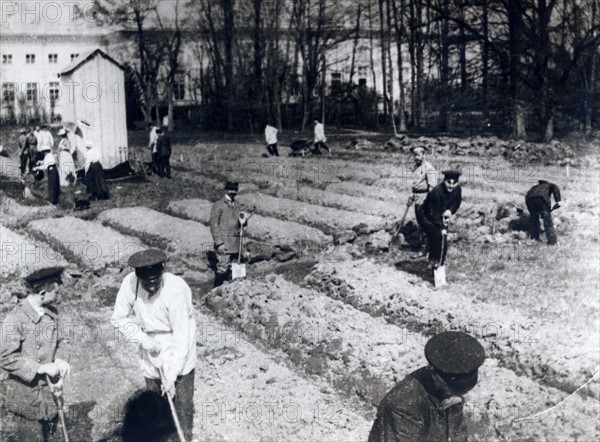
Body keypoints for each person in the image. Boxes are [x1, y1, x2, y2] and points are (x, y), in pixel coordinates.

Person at [111, 249, 196, 441]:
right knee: (153, 406)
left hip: (177, 343)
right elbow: (118, 318)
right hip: (150, 345)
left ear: (162, 273)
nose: (150, 288)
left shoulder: (176, 291)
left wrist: (172, 375)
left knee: (181, 406)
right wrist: (143, 339)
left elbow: (182, 338)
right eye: (146, 283)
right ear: (137, 276)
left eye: (155, 282)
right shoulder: (130, 284)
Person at [369, 331, 485, 442]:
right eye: (451, 391)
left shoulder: (449, 391)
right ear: (434, 375)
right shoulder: (402, 406)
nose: (457, 396)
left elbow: (457, 436)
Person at [0, 287, 71, 441]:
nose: (59, 292)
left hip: (51, 398)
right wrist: (39, 368)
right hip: (26, 402)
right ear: (43, 293)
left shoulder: (52, 313)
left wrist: (60, 359)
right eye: (56, 290)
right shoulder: (15, 318)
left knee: (54, 436)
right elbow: (4, 356)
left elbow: (62, 340)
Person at [417, 170, 462, 270]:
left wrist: (450, 211)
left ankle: (439, 264)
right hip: (426, 216)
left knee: (442, 240)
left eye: (453, 183)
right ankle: (433, 261)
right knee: (438, 235)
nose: (451, 186)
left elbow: (457, 202)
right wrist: (441, 226)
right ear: (444, 181)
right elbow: (431, 213)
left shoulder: (457, 189)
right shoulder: (436, 192)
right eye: (448, 182)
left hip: (439, 215)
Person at [210, 181, 249, 287]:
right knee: (222, 268)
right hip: (224, 244)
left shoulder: (238, 206)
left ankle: (231, 295)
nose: (233, 192)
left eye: (235, 189)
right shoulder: (218, 205)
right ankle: (215, 295)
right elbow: (214, 225)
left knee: (234, 270)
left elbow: (241, 223)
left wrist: (244, 220)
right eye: (231, 189)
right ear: (226, 190)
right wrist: (219, 243)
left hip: (236, 244)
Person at [409, 146, 438, 251]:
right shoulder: (415, 167)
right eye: (414, 155)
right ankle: (423, 244)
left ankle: (427, 247)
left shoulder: (429, 168)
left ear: (424, 155)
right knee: (420, 221)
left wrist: (429, 203)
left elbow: (432, 187)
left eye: (418, 155)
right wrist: (411, 195)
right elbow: (415, 183)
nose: (416, 157)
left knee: (425, 222)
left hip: (424, 198)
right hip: (417, 197)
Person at [525, 179, 561, 245]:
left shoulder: (535, 187)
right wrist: (558, 201)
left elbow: (528, 195)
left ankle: (534, 238)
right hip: (541, 199)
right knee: (548, 221)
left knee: (534, 219)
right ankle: (552, 241)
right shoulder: (551, 185)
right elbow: (556, 190)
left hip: (529, 200)